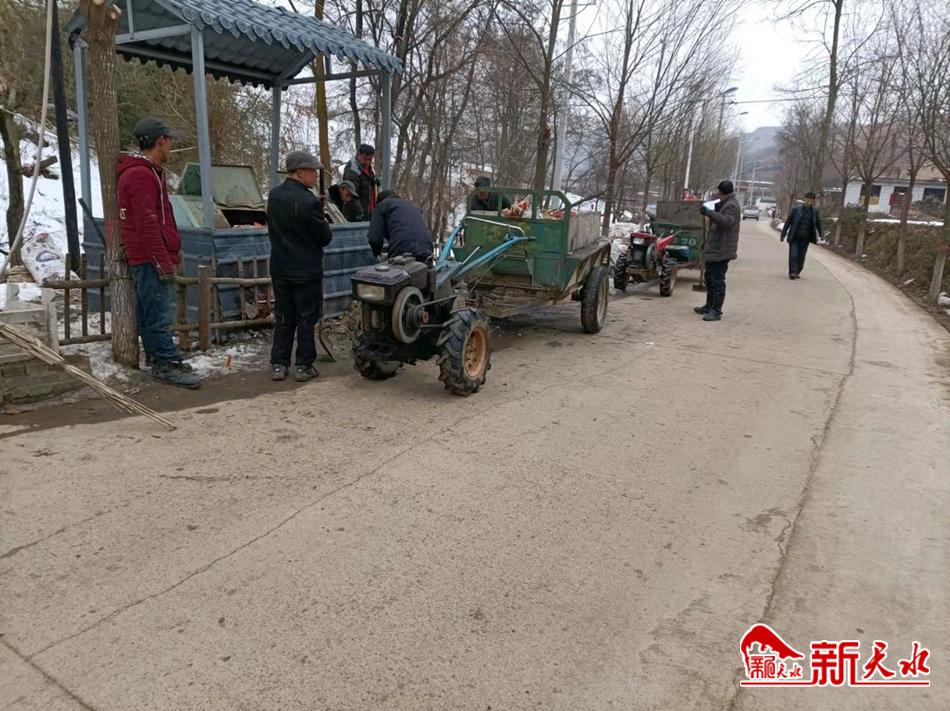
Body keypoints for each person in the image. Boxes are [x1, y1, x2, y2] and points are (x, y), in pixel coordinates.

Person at [117, 117, 201, 388]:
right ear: (160, 141)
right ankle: (165, 363)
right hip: (149, 257)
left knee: (152, 310)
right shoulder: (140, 175)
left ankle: (161, 357)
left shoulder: (149, 172)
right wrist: (162, 260)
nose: (171, 146)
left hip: (150, 255)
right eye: (169, 140)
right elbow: (147, 223)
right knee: (157, 313)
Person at [267, 151, 333, 382]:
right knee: (306, 318)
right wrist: (321, 216)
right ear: (300, 172)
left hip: (280, 267)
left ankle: (279, 364)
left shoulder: (274, 196)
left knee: (283, 316)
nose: (315, 176)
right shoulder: (309, 201)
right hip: (306, 270)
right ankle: (303, 365)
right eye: (312, 172)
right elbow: (324, 237)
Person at [695, 180, 741, 322]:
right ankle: (709, 305)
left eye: (718, 193)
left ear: (721, 192)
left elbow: (726, 222)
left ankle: (716, 311)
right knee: (709, 277)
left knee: (717, 280)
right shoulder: (725, 203)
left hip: (722, 249)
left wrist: (709, 213)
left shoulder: (731, 205)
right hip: (715, 248)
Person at [367, 190, 434, 262]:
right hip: (427, 248)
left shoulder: (381, 206)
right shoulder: (412, 206)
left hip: (402, 247)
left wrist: (377, 254)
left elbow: (374, 238)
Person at [780, 191, 823, 280]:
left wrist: (822, 235)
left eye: (811, 199)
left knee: (801, 256)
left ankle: (797, 271)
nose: (809, 201)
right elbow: (788, 222)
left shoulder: (814, 211)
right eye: (808, 199)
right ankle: (792, 272)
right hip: (795, 237)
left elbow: (819, 224)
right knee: (793, 255)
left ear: (813, 201)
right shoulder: (796, 209)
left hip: (806, 238)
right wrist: (783, 234)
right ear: (805, 199)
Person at [343, 144, 379, 217]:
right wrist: (360, 214)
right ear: (358, 155)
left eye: (370, 160)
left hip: (369, 212)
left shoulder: (371, 170)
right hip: (356, 215)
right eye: (365, 159)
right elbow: (351, 196)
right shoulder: (352, 170)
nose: (367, 162)